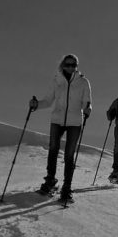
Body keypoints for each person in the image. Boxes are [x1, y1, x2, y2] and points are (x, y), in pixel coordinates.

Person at [30, 54, 92, 203]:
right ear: (63, 65)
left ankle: (67, 188)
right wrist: (36, 104)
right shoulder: (56, 80)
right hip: (57, 119)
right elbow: (48, 100)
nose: (71, 67)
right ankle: (50, 181)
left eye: (74, 65)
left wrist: (88, 108)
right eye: (68, 64)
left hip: (75, 121)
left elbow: (87, 101)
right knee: (53, 148)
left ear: (76, 66)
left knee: (69, 155)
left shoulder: (83, 82)